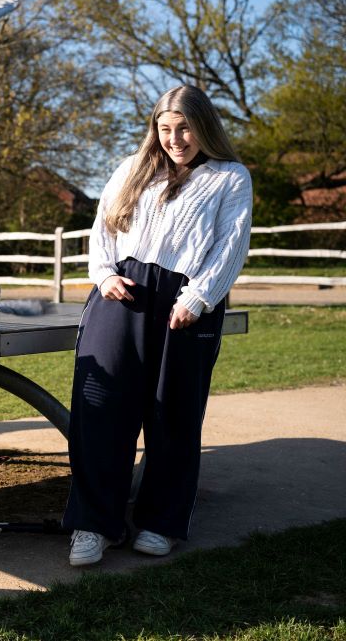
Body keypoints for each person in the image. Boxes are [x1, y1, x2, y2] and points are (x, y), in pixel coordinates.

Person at [63, 85, 253, 567]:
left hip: (187, 304)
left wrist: (200, 296)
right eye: (165, 128)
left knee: (174, 415)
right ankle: (93, 524)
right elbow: (102, 228)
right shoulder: (132, 167)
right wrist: (103, 275)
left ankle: (160, 522)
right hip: (120, 294)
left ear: (204, 125)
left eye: (185, 127)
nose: (175, 138)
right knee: (100, 410)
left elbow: (230, 246)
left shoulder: (231, 178)